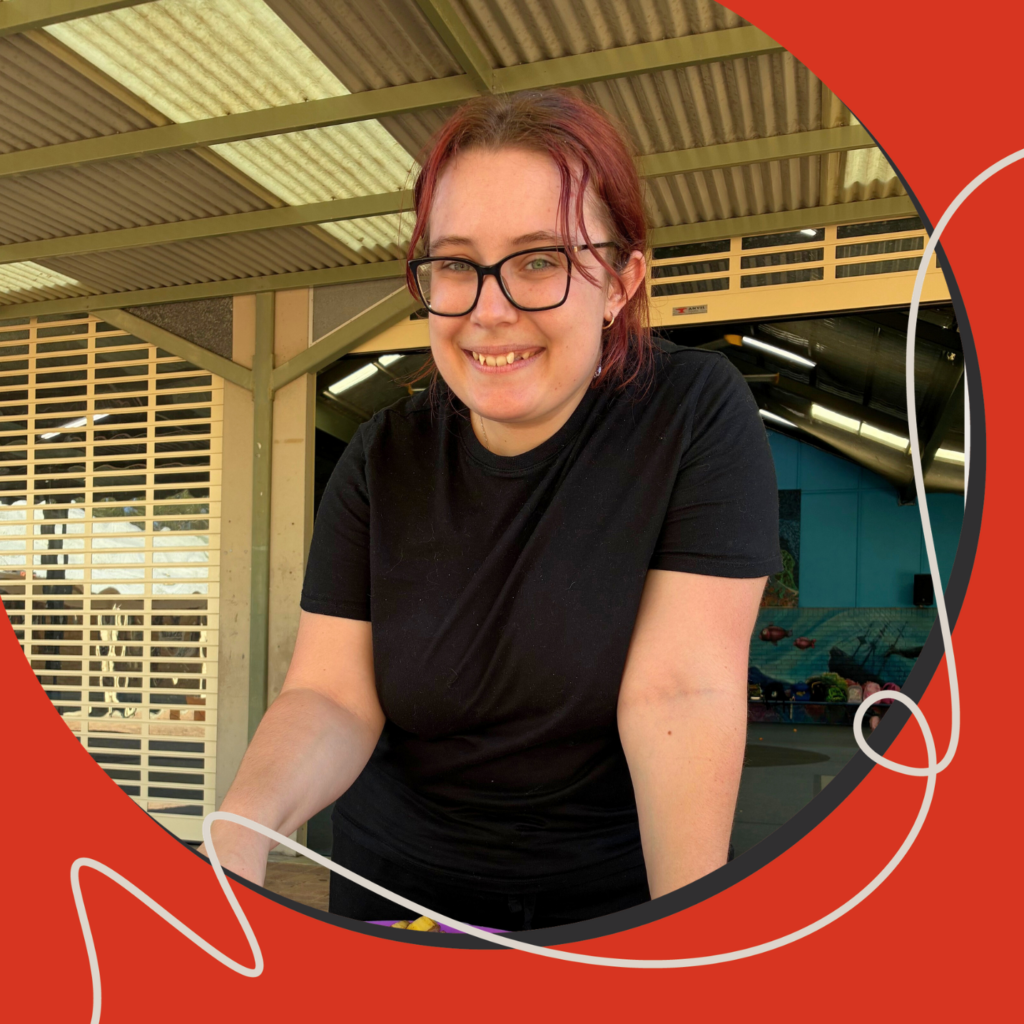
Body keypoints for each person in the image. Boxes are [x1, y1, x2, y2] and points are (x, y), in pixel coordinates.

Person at [206, 90, 781, 931]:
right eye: (454, 264)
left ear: (621, 281)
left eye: (539, 260)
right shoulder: (383, 455)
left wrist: (685, 933)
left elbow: (680, 693)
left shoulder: (689, 414)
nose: (488, 308)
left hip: (607, 903)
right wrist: (239, 834)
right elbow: (331, 695)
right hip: (397, 896)